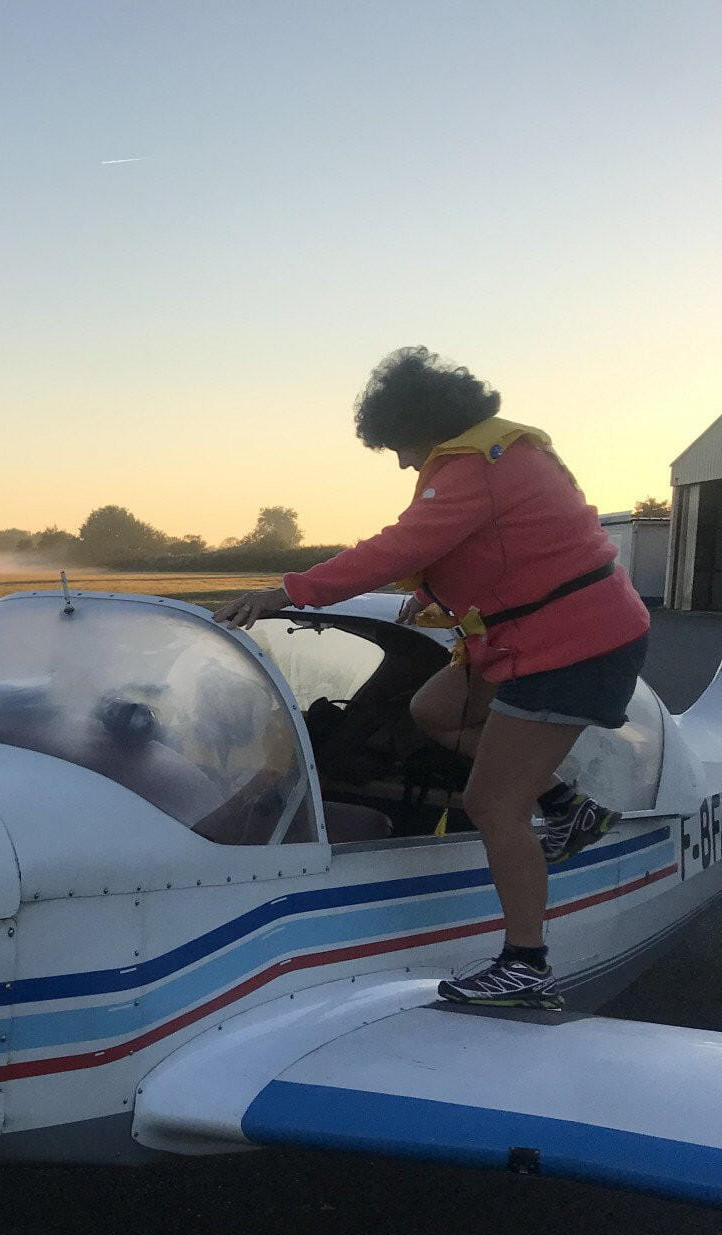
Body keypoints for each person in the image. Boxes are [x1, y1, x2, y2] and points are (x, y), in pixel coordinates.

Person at [213, 347, 651, 1008]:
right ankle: (567, 805)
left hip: (573, 643)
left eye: (398, 445)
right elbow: (515, 551)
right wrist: (441, 594)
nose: (399, 461)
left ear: (424, 423)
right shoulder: (500, 458)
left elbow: (398, 546)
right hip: (549, 633)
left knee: (493, 801)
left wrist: (287, 592)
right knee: (434, 710)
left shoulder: (478, 467)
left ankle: (525, 965)